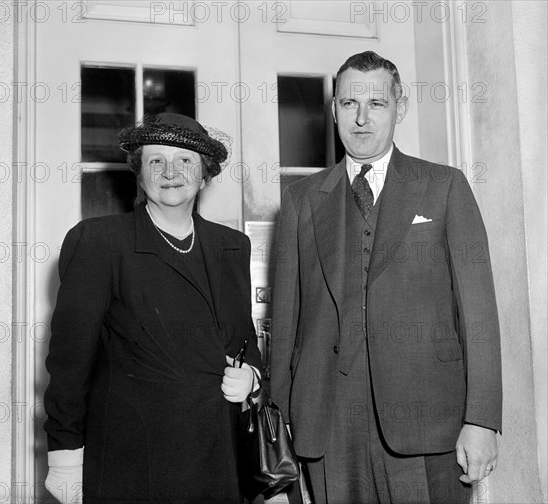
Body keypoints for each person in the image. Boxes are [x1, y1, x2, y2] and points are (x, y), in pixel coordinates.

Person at [270, 51, 502, 503]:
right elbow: (286, 320)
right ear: (333, 108)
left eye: (376, 104)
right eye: (348, 103)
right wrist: (279, 422)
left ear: (400, 107)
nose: (360, 118)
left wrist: (482, 419)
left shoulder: (444, 186)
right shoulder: (300, 200)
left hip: (429, 424)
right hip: (328, 426)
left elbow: (479, 314)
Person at [43, 113, 262, 503]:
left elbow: (243, 339)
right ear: (140, 173)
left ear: (205, 173)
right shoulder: (100, 242)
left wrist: (254, 380)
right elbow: (68, 362)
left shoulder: (232, 246)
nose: (170, 171)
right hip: (134, 461)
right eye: (156, 160)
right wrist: (65, 456)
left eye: (185, 160)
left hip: (219, 458)